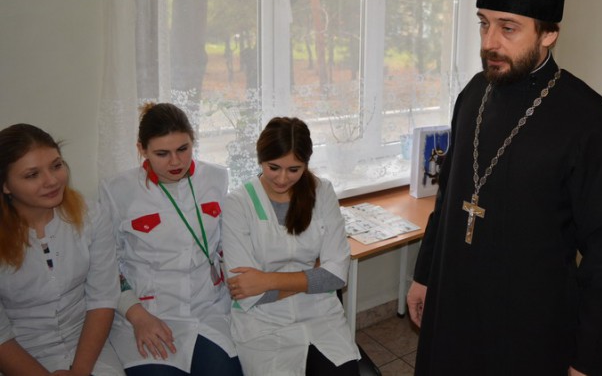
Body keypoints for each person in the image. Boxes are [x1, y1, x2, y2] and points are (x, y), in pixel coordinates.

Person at [406, 0, 602, 376]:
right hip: (453, 307)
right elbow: (448, 200)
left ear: (549, 32)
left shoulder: (590, 123)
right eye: (484, 23)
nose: (489, 42)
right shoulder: (474, 94)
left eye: (508, 28)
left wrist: (588, 358)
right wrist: (424, 274)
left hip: (529, 327)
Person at [99, 103, 243, 376]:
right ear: (142, 149)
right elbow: (105, 266)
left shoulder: (216, 178)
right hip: (148, 312)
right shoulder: (117, 190)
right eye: (162, 153)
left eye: (183, 149)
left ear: (193, 141)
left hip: (208, 311)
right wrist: (137, 315)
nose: (175, 162)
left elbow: (228, 244)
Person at [222, 117, 360, 376]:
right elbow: (246, 291)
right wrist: (313, 277)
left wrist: (266, 280)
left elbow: (336, 276)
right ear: (260, 158)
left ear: (306, 164)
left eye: (294, 169)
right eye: (273, 167)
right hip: (263, 324)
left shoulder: (322, 192)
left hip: (321, 316)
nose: (282, 178)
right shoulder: (238, 204)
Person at [0, 123, 123, 375]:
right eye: (32, 175)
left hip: (88, 347)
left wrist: (80, 370)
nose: (52, 180)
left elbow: (102, 299)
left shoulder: (91, 215)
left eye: (56, 165)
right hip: (20, 355)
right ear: (6, 185)